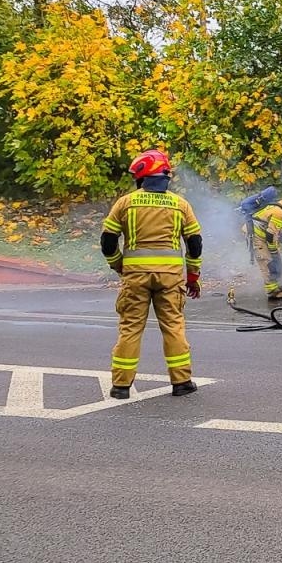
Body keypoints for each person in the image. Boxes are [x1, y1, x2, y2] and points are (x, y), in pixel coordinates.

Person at [100, 149, 202, 399]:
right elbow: (195, 243)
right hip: (170, 278)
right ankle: (181, 382)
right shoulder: (181, 204)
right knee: (174, 327)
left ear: (141, 176)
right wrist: (192, 276)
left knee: (130, 328)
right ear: (165, 176)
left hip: (135, 277)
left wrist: (118, 265)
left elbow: (108, 241)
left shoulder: (125, 203)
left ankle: (121, 386)